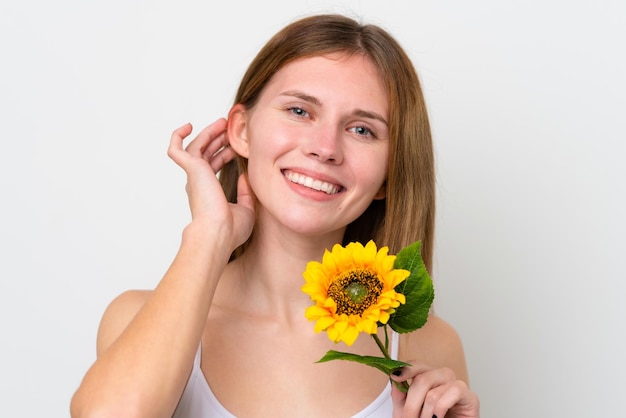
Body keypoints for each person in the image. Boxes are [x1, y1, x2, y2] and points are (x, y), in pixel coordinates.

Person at [70, 13, 480, 418]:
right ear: (242, 131)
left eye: (362, 130)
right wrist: (209, 235)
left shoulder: (425, 346)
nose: (325, 148)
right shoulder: (135, 318)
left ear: (390, 174)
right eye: (300, 111)